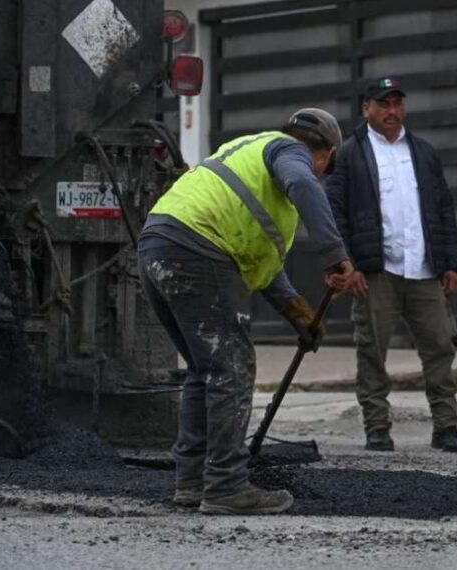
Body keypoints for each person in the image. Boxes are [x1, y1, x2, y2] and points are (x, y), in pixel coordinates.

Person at [139, 108, 354, 515]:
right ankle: (226, 486)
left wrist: (296, 312)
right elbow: (302, 183)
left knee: (205, 370)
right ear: (325, 154)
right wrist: (335, 255)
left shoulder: (249, 153)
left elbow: (264, 264)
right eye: (325, 166)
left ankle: (193, 481)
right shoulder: (289, 152)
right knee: (231, 370)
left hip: (158, 246)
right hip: (198, 249)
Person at [325, 77, 457, 454]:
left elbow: (444, 209)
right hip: (375, 272)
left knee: (440, 347)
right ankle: (377, 427)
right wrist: (347, 264)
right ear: (366, 109)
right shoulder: (349, 154)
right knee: (372, 351)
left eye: (397, 103)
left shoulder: (423, 152)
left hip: (424, 269)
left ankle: (446, 427)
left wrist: (451, 263)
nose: (391, 111)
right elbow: (334, 212)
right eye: (383, 104)